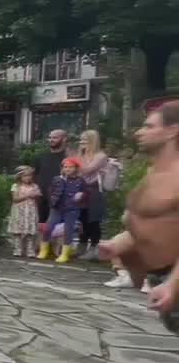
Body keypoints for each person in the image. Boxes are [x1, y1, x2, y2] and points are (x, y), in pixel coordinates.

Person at [99, 101, 179, 321]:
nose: (139, 132)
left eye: (149, 126)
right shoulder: (155, 171)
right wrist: (118, 244)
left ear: (173, 131)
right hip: (160, 276)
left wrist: (172, 284)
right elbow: (159, 223)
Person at [39, 157, 85, 264]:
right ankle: (44, 249)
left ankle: (64, 254)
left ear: (76, 168)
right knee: (47, 228)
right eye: (65, 167)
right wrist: (52, 201)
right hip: (57, 208)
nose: (67, 169)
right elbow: (50, 191)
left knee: (68, 231)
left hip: (72, 209)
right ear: (62, 168)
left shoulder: (80, 181)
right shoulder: (57, 179)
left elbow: (86, 194)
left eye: (70, 167)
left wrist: (81, 196)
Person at [76, 130, 108, 259]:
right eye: (81, 140)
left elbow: (87, 170)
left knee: (93, 220)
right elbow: (75, 171)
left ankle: (94, 249)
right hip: (81, 189)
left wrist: (77, 161)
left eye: (85, 140)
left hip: (94, 191)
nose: (81, 143)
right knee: (82, 219)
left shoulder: (100, 156)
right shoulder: (81, 155)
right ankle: (82, 246)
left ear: (93, 141)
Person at [33, 129, 68, 226]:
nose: (51, 140)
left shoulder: (68, 157)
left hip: (60, 199)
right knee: (41, 226)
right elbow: (34, 175)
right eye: (50, 137)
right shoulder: (41, 156)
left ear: (64, 139)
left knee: (58, 228)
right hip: (41, 198)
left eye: (55, 137)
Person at [8, 166, 42, 258]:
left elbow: (38, 197)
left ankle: (30, 249)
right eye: (25, 176)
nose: (28, 178)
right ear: (20, 177)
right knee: (18, 230)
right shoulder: (16, 186)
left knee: (30, 231)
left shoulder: (35, 186)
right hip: (19, 211)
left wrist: (36, 195)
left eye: (29, 175)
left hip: (30, 211)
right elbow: (15, 199)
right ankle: (18, 249)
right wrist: (27, 195)